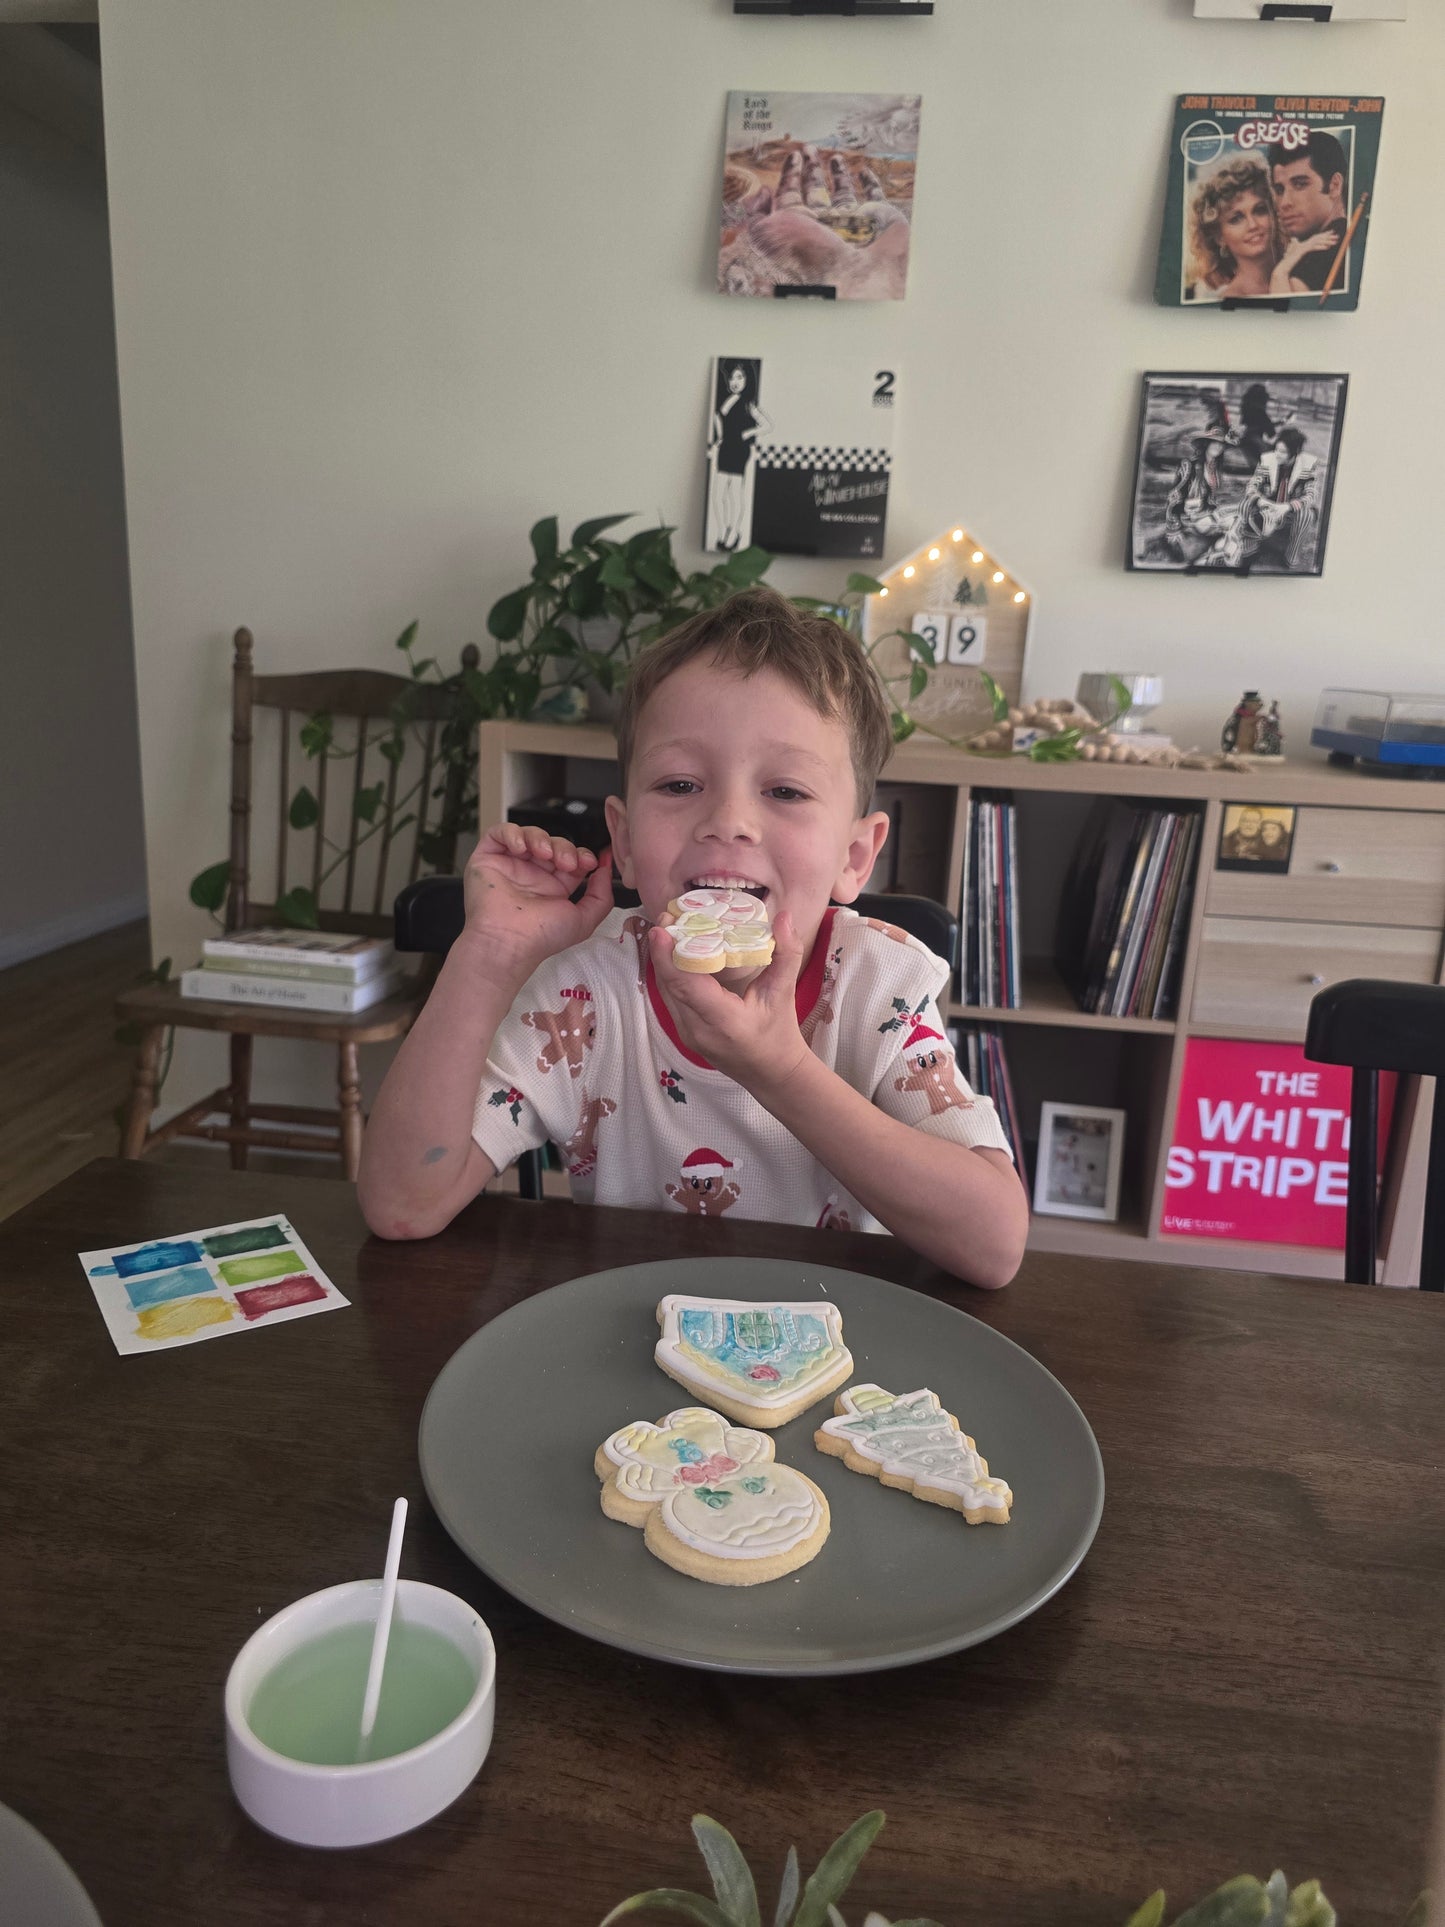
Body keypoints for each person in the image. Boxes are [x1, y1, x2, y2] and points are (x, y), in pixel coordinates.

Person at [358, 588, 1029, 1289]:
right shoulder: (584, 991)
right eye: (679, 783)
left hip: (827, 1343)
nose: (728, 820)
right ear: (621, 837)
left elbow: (994, 1245)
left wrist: (779, 1068)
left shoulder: (876, 986)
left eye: (786, 791)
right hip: (635, 1340)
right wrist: (487, 956)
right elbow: (404, 1205)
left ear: (854, 857)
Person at [1185, 156, 1283, 300]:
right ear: (1219, 237)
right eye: (1236, 219)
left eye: (1260, 210)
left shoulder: (1301, 274)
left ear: (1273, 213)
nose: (1253, 225)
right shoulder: (1226, 299)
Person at [1267, 131, 1349, 296]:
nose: (1284, 203)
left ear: (1334, 185)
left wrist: (1280, 273)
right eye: (1279, 190)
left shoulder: (1321, 253)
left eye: (1300, 185)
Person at [706, 361, 771, 553]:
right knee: (718, 495)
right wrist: (718, 438)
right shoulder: (727, 399)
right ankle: (721, 531)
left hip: (738, 451)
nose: (735, 381)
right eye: (732, 377)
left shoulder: (749, 404)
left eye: (740, 377)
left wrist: (746, 433)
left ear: (747, 379)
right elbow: (718, 418)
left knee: (734, 493)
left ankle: (733, 532)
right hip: (725, 448)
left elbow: (767, 425)